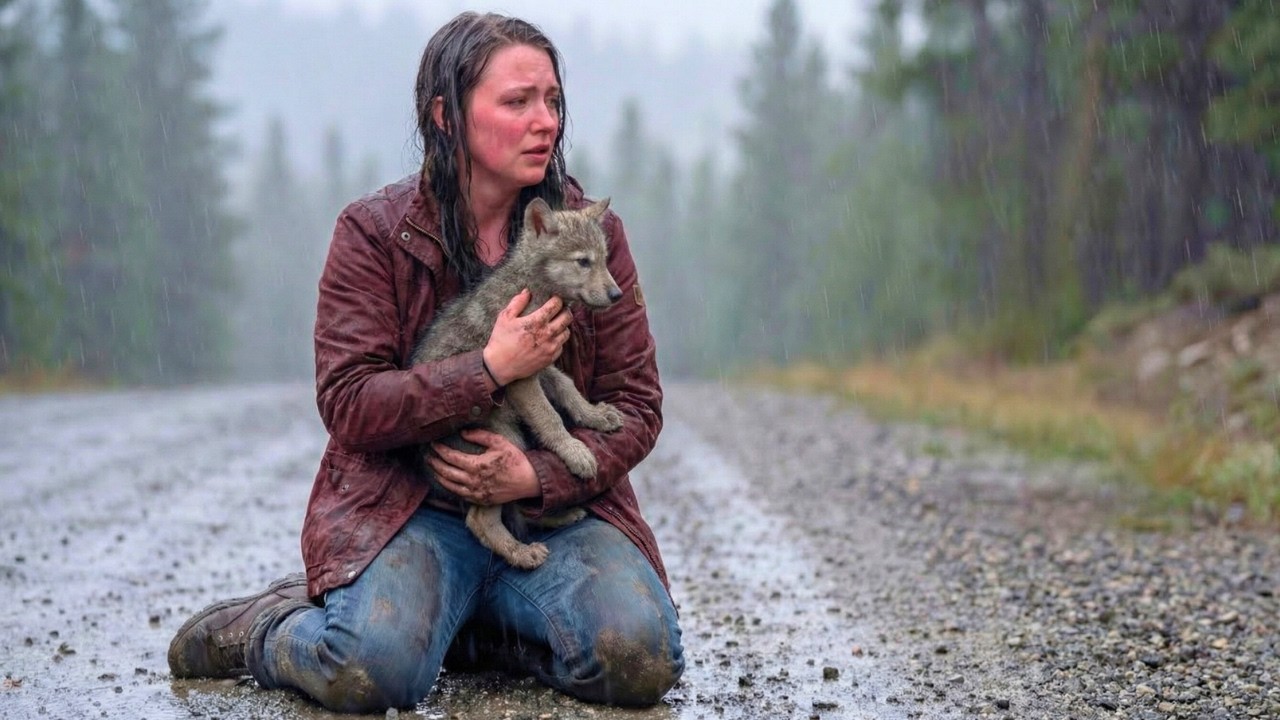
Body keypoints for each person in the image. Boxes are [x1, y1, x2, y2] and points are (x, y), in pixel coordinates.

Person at [167, 11, 684, 713]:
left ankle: (454, 630)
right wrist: (489, 372)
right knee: (366, 673)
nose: (546, 122)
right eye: (517, 102)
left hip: (559, 517)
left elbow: (638, 404)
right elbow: (350, 402)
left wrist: (536, 472)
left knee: (639, 662)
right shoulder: (373, 233)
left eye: (553, 100)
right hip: (412, 514)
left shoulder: (593, 232)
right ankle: (268, 629)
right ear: (446, 116)